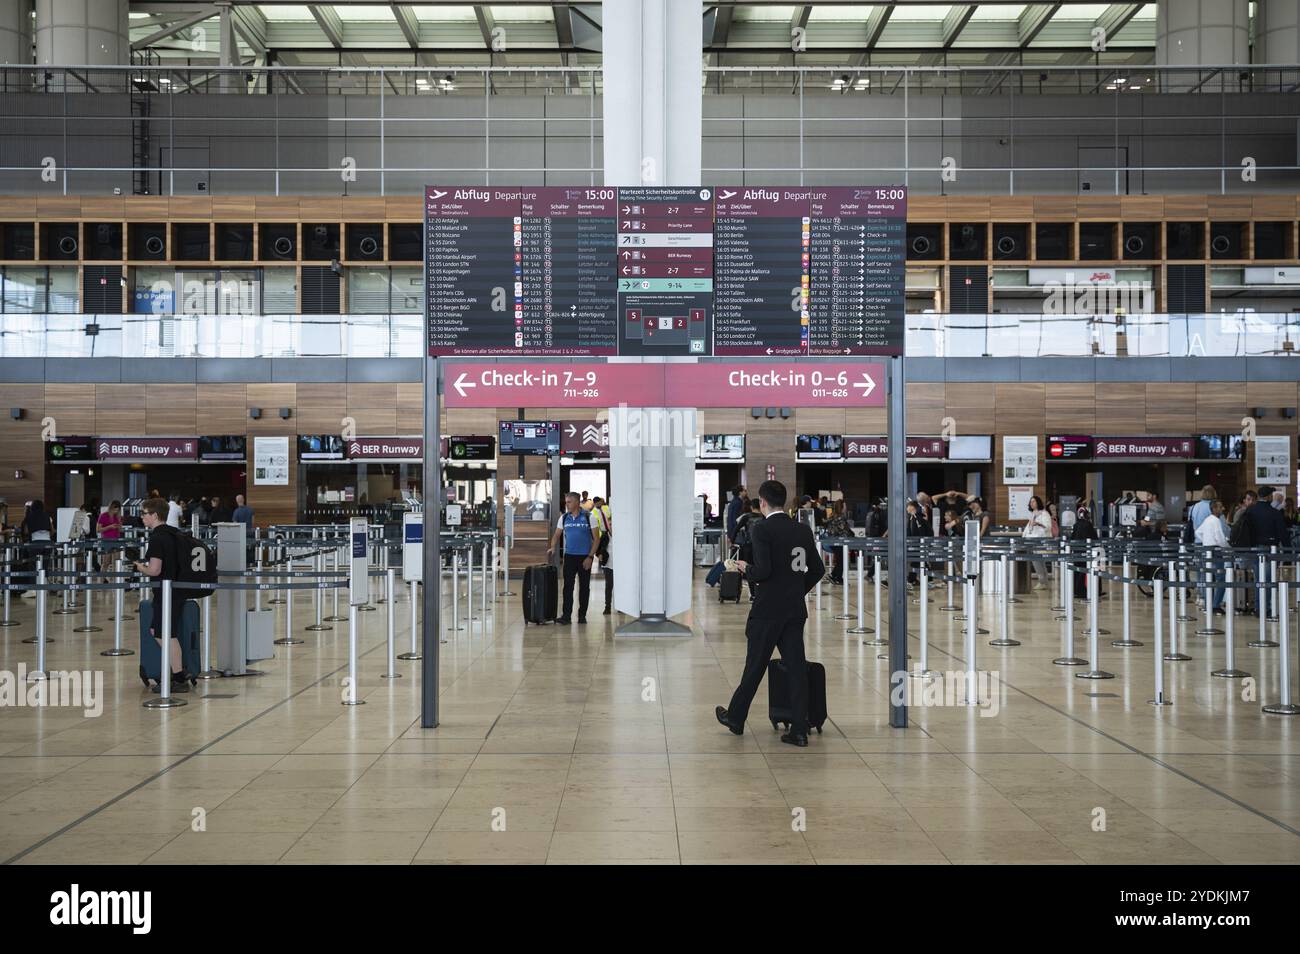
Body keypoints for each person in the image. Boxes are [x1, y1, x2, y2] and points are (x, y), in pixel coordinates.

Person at [716, 480, 823, 747]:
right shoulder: (802, 530)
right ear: (784, 501)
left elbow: (762, 571)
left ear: (762, 503)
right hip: (794, 610)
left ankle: (736, 718)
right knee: (797, 668)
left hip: (767, 610)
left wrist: (744, 568)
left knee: (755, 666)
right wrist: (798, 590)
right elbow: (818, 569)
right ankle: (799, 728)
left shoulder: (762, 528)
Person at [131, 498, 193, 693]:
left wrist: (142, 567)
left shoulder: (158, 537)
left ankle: (179, 677)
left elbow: (155, 570)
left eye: (145, 513)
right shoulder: (175, 533)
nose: (142, 517)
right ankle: (179, 673)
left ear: (155, 515)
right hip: (177, 589)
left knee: (164, 633)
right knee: (161, 631)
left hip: (166, 591)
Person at [547, 492, 599, 624]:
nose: (567, 504)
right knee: (568, 587)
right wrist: (553, 547)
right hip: (569, 557)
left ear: (577, 502)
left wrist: (590, 557)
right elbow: (556, 535)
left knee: (584, 587)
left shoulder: (589, 517)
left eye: (569, 502)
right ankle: (566, 616)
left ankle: (582, 616)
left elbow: (597, 539)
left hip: (585, 557)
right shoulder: (564, 518)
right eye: (566, 502)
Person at [1194, 498, 1229, 614]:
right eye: (1220, 507)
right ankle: (1216, 604)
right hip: (1216, 551)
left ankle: (1208, 603)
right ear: (1214, 508)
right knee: (1220, 578)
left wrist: (1206, 541)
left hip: (1206, 550)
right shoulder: (1216, 521)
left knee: (1208, 577)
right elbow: (1220, 538)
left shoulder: (1207, 519)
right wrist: (1227, 547)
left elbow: (1198, 532)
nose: (1222, 509)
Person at [1022, 495, 1052, 589]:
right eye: (1031, 502)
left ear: (1038, 502)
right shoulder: (1032, 514)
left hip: (1041, 541)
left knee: (1039, 561)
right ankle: (1044, 581)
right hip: (1032, 541)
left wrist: (1038, 524)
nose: (1031, 503)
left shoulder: (1044, 513)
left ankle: (1042, 581)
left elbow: (1048, 527)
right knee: (1037, 562)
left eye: (1033, 501)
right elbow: (1028, 528)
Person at [823, 499, 852, 584]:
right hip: (839, 542)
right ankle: (837, 578)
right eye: (845, 505)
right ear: (842, 507)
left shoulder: (833, 516)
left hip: (833, 541)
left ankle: (834, 576)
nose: (846, 507)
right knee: (842, 560)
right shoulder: (841, 518)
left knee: (840, 560)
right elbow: (844, 531)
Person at [724, 485, 746, 552]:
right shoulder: (738, 503)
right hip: (735, 533)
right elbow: (735, 519)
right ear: (740, 492)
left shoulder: (733, 502)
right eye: (744, 491)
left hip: (732, 531)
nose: (746, 492)